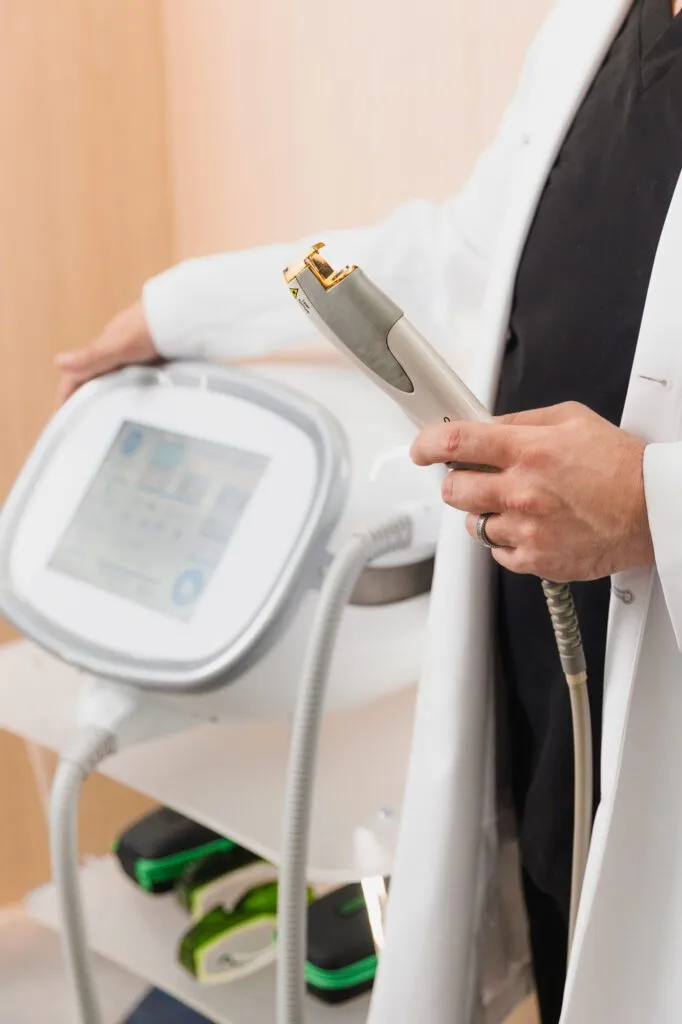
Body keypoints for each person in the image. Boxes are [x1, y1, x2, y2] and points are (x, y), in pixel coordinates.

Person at [55, 1, 682, 1021]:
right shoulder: (597, 22)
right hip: (553, 661)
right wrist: (180, 310)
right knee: (572, 926)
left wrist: (649, 505)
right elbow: (464, 263)